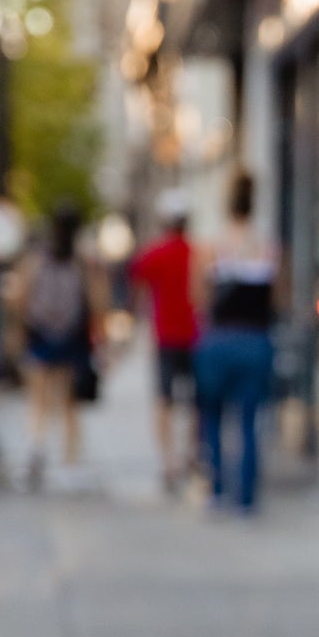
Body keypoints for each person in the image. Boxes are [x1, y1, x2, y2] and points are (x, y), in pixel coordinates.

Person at [193, 171, 277, 511]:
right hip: (255, 340)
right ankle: (246, 496)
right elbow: (278, 298)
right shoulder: (266, 246)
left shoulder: (211, 247)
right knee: (249, 420)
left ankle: (216, 488)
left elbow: (197, 297)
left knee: (212, 417)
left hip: (219, 340)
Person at [16, 203, 94, 489]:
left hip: (40, 335)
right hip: (72, 338)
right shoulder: (81, 262)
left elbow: (21, 298)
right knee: (69, 405)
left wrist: (20, 330)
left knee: (38, 401)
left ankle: (36, 447)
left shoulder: (36, 259)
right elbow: (96, 301)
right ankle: (70, 464)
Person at [129, 188, 199, 491]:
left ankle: (169, 460)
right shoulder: (197, 253)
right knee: (197, 400)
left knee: (164, 401)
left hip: (166, 337)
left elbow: (137, 287)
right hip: (195, 336)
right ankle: (190, 454)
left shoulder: (154, 253)